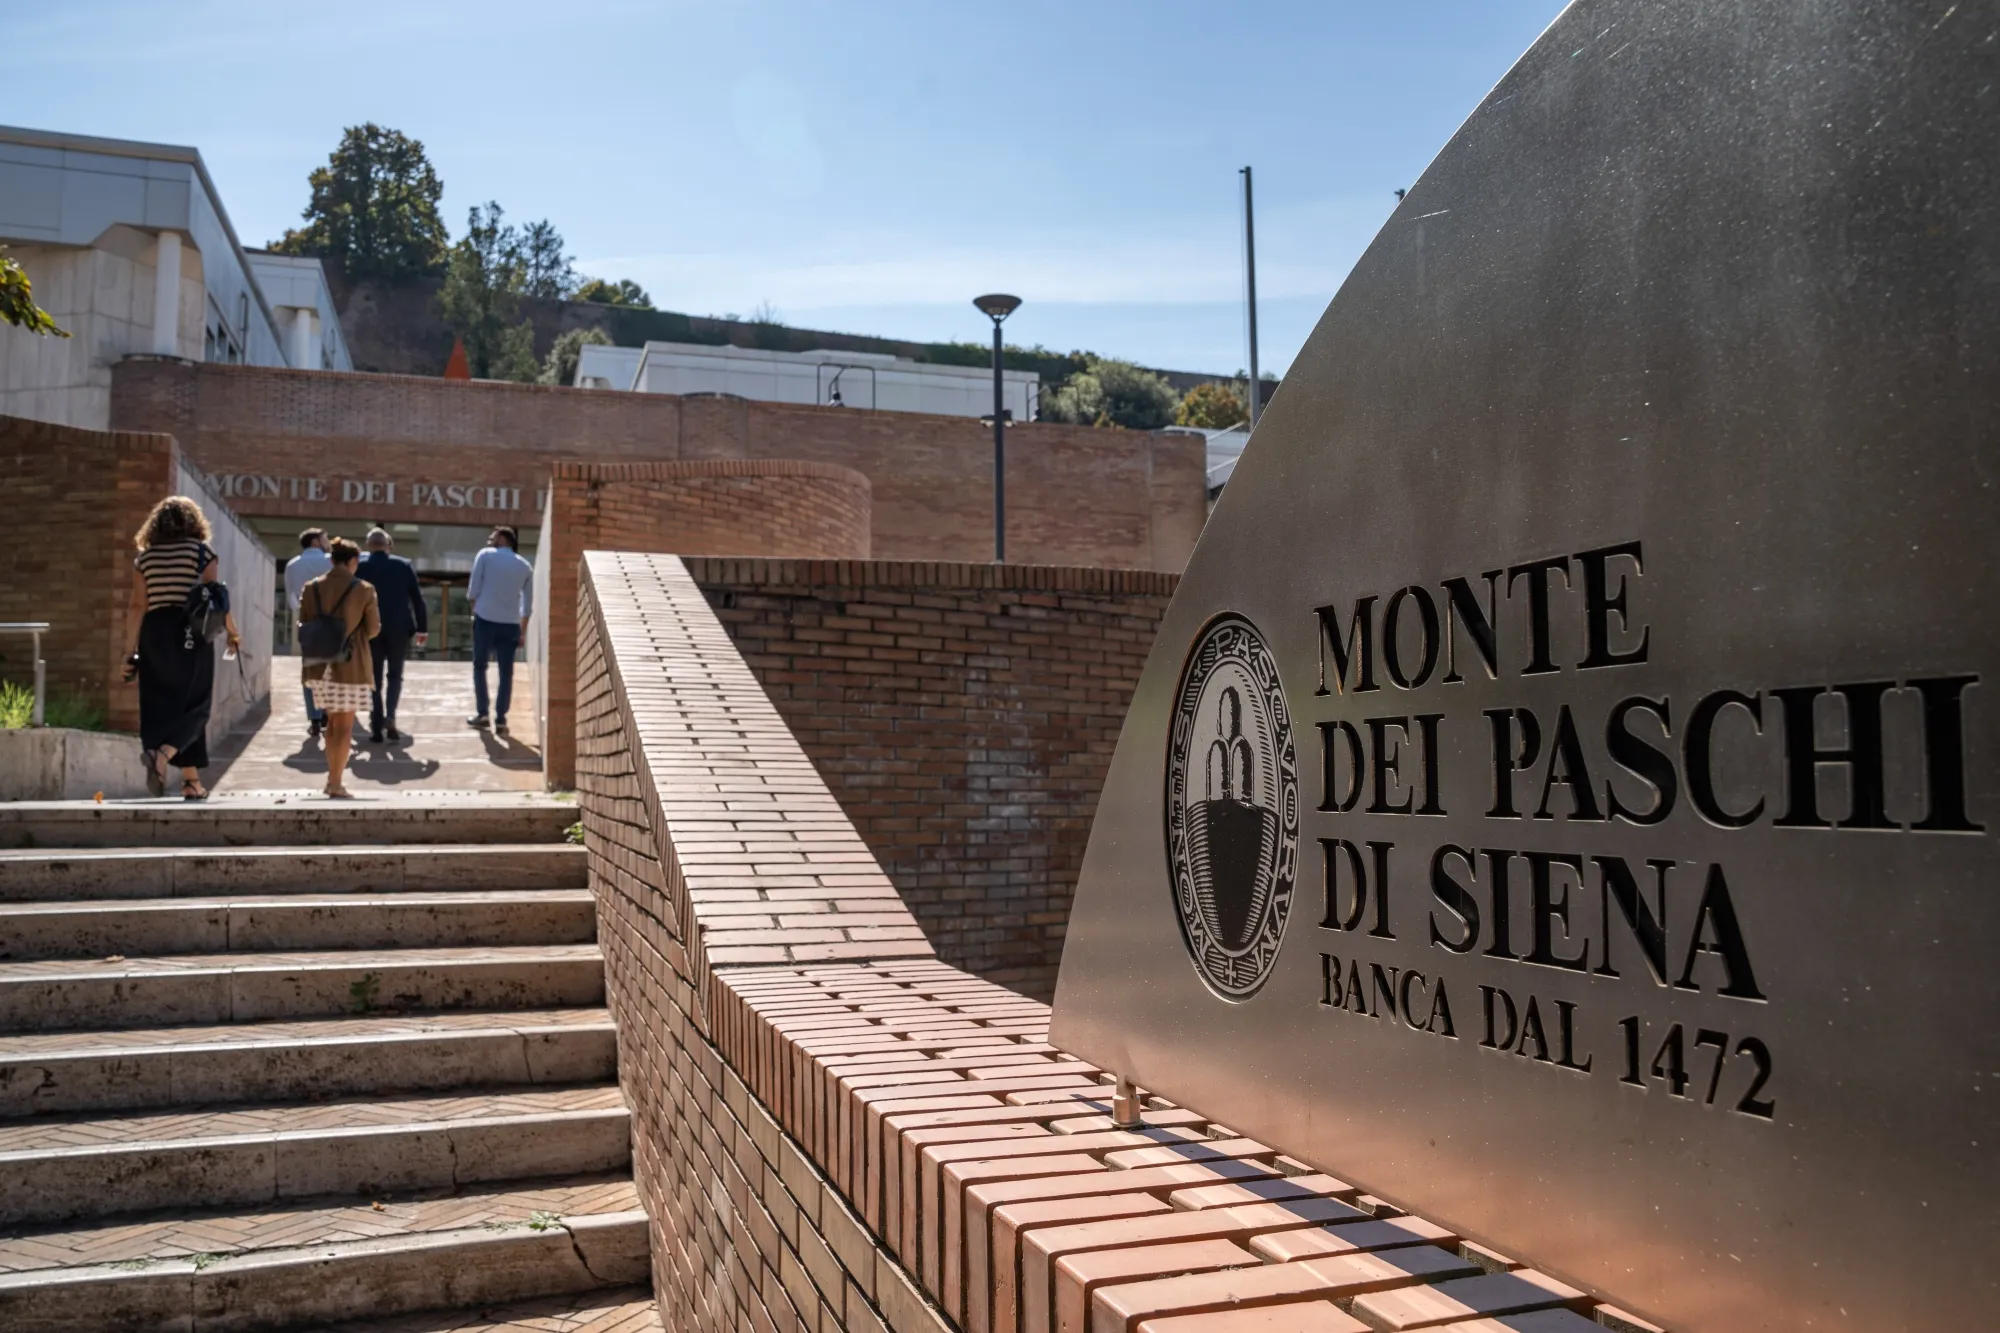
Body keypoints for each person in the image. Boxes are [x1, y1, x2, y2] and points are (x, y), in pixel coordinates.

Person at [123, 495, 241, 800]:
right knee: (197, 705)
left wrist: (129, 650)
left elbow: (137, 605)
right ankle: (163, 754)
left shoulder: (144, 559)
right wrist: (232, 632)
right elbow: (215, 599)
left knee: (162, 702)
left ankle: (191, 782)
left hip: (154, 632)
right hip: (191, 630)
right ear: (194, 521)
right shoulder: (202, 553)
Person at [298, 536, 380, 799]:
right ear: (353, 561)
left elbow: (304, 622)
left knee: (331, 723)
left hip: (319, 664)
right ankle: (335, 782)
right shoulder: (365, 589)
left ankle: (332, 779)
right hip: (350, 663)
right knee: (345, 725)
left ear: (332, 560)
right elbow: (373, 629)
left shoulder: (311, 587)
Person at [355, 527, 428, 744]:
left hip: (370, 629)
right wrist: (422, 628)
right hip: (399, 628)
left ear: (369, 545)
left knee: (374, 677)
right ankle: (391, 715)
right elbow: (417, 599)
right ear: (388, 546)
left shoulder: (360, 566)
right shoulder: (403, 565)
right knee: (395, 675)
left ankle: (376, 725)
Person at [465, 525, 532, 736]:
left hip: (485, 619)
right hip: (510, 624)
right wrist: (522, 631)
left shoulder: (485, 555)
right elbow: (527, 605)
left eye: (493, 536)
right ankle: (501, 719)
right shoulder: (525, 566)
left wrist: (475, 611)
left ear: (503, 539)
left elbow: (473, 590)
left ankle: (482, 713)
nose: (490, 540)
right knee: (506, 673)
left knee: (480, 667)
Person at [284, 529, 332, 741]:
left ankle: (313, 717)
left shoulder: (292, 565)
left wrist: (302, 613)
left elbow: (291, 597)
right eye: (324, 538)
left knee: (309, 670)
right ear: (315, 542)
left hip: (307, 621)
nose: (327, 542)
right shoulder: (331, 562)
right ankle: (325, 713)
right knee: (331, 669)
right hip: (332, 622)